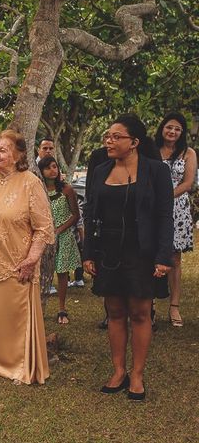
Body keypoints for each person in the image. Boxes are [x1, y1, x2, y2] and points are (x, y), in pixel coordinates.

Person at [83, 113, 173, 401]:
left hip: (142, 252)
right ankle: (118, 370)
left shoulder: (155, 171)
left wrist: (163, 257)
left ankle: (137, 374)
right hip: (108, 251)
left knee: (140, 313)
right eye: (107, 136)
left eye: (115, 136)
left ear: (134, 142)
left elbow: (164, 216)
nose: (108, 141)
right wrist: (89, 253)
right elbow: (90, 212)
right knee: (115, 312)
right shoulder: (100, 170)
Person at [0, 130, 54, 385]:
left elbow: (44, 228)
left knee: (17, 318)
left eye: (2, 150)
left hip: (18, 266)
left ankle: (19, 366)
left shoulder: (30, 182)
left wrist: (31, 260)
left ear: (18, 156)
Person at [155, 112, 197, 327]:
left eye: (177, 129)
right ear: (162, 128)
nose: (172, 131)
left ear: (181, 133)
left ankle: (174, 306)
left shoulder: (188, 152)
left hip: (177, 208)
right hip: (151, 208)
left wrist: (165, 197)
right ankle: (148, 304)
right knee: (149, 254)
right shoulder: (151, 151)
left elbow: (188, 182)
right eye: (169, 127)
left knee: (174, 258)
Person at [38, 156, 81, 324]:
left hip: (63, 236)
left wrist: (59, 230)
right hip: (43, 238)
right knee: (41, 274)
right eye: (48, 168)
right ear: (41, 171)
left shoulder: (67, 190)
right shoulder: (38, 190)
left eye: (55, 167)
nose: (52, 170)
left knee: (62, 273)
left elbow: (75, 215)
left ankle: (62, 309)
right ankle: (39, 308)